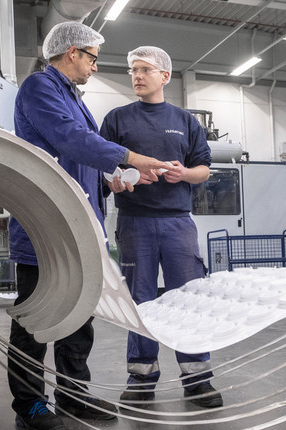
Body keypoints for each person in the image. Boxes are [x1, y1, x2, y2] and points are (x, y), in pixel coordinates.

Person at [7, 24, 172, 430]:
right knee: (35, 321)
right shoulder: (40, 87)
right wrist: (132, 157)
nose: (95, 67)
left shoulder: (73, 98)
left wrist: (112, 178)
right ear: (73, 53)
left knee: (80, 320)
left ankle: (72, 395)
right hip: (44, 228)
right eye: (93, 58)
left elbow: (77, 161)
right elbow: (72, 140)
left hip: (80, 230)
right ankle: (30, 404)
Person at [100, 46, 223, 408]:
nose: (136, 76)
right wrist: (114, 180)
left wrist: (184, 174)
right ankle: (141, 377)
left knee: (188, 298)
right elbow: (103, 166)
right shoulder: (117, 120)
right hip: (134, 222)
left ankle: (197, 378)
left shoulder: (185, 121)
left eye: (144, 70)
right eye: (133, 70)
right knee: (139, 300)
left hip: (177, 223)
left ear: (165, 76)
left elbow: (204, 169)